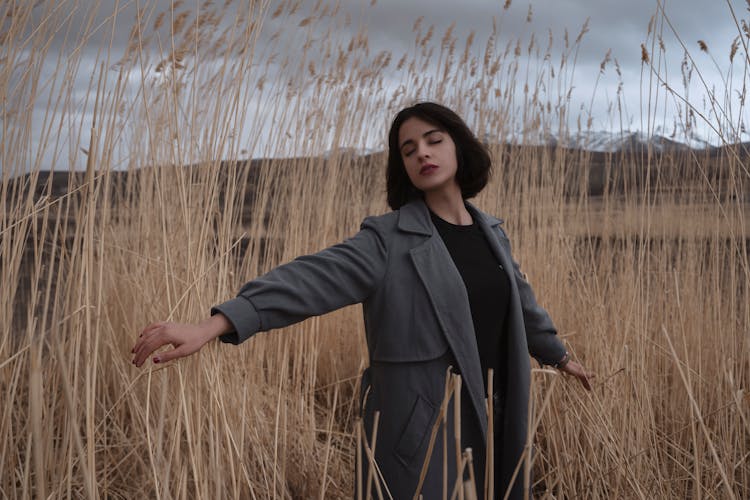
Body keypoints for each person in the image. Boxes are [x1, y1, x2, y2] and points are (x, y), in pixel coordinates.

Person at [132, 102, 592, 499]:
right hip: (424, 426)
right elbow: (308, 280)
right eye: (408, 150)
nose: (422, 153)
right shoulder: (388, 240)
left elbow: (519, 300)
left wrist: (556, 354)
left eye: (433, 140)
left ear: (459, 147)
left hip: (495, 413)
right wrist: (215, 324)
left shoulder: (491, 232)